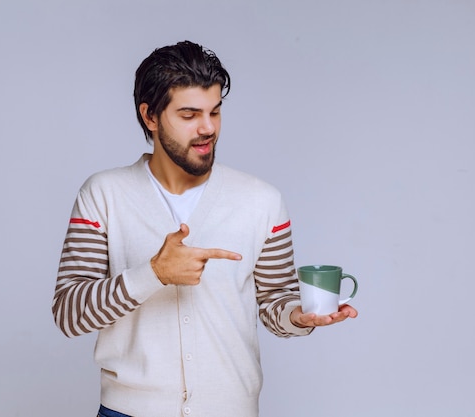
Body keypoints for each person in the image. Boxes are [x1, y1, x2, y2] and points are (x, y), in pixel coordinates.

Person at [52, 40, 358, 417]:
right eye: (189, 114)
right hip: (129, 411)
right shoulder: (103, 194)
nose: (207, 128)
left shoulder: (262, 200)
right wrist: (153, 274)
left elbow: (276, 301)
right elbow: (69, 313)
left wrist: (298, 317)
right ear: (150, 116)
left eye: (215, 112)